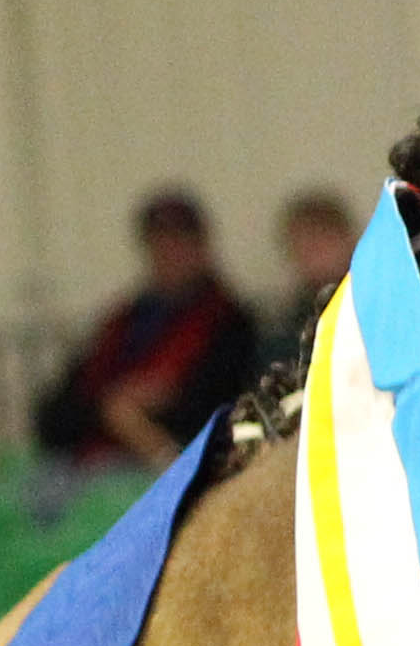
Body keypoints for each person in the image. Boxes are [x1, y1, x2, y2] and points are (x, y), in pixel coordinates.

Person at [29, 188, 258, 470]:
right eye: (160, 244)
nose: (170, 254)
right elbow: (61, 407)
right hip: (95, 456)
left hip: (170, 457)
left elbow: (220, 404)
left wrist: (154, 407)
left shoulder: (228, 322)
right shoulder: (124, 322)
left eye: (179, 243)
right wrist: (116, 406)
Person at [263, 186, 361, 359]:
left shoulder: (380, 307)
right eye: (302, 245)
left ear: (348, 240)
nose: (313, 254)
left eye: (322, 239)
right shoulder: (287, 328)